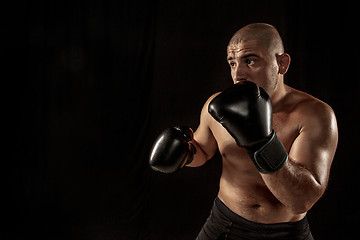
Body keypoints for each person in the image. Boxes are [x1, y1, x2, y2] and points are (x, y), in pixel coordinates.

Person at [149, 23, 338, 240]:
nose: (238, 74)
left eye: (250, 61)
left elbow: (301, 201)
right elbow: (202, 148)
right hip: (224, 223)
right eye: (232, 63)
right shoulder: (217, 106)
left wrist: (263, 143)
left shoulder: (315, 115)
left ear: (281, 63)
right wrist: (185, 153)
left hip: (286, 232)